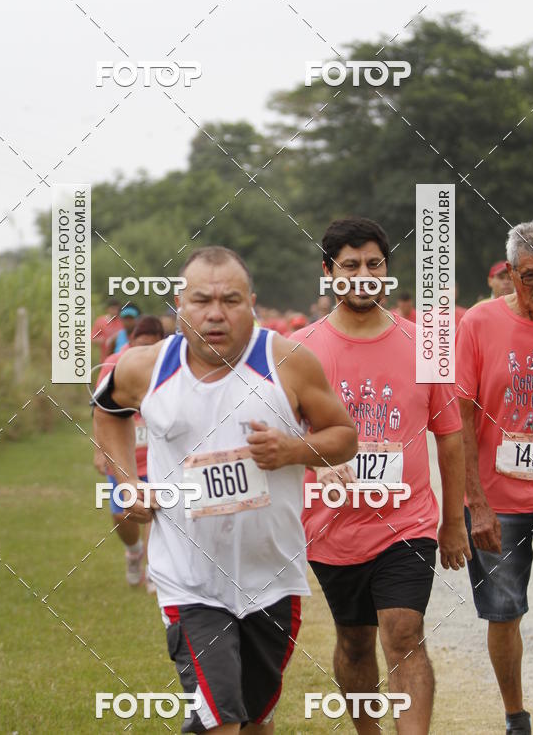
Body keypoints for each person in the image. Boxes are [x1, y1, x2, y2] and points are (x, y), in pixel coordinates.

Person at [93, 245, 357, 734]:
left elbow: (344, 437)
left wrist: (293, 450)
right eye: (202, 300)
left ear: (252, 302)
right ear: (179, 304)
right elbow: (107, 412)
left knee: (256, 720)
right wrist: (127, 482)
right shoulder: (144, 367)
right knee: (221, 722)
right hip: (189, 579)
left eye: (231, 300)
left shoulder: (288, 362)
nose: (216, 313)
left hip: (273, 577)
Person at [291, 217, 470, 735]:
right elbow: (282, 440)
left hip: (407, 521)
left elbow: (450, 434)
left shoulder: (426, 344)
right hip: (330, 527)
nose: (364, 275)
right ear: (329, 272)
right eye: (350, 266)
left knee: (404, 630)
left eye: (374, 264)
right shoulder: (299, 351)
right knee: (354, 641)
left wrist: (453, 520)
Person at [456, 221, 533, 735]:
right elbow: (463, 416)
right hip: (499, 497)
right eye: (530, 275)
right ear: (510, 273)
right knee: (504, 612)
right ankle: (516, 716)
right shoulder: (479, 323)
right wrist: (476, 502)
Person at [93, 315, 164, 588]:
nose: (145, 352)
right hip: (125, 455)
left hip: (158, 454)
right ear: (131, 341)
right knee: (122, 513)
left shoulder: (168, 362)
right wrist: (100, 451)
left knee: (156, 511)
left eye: (152, 346)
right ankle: (134, 552)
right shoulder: (114, 363)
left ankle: (155, 570)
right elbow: (101, 411)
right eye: (141, 345)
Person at [91, 298, 123, 364]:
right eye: (113, 309)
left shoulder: (123, 321)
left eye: (117, 309)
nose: (115, 311)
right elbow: (92, 338)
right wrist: (102, 340)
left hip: (121, 359)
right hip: (105, 359)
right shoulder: (101, 321)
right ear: (108, 309)